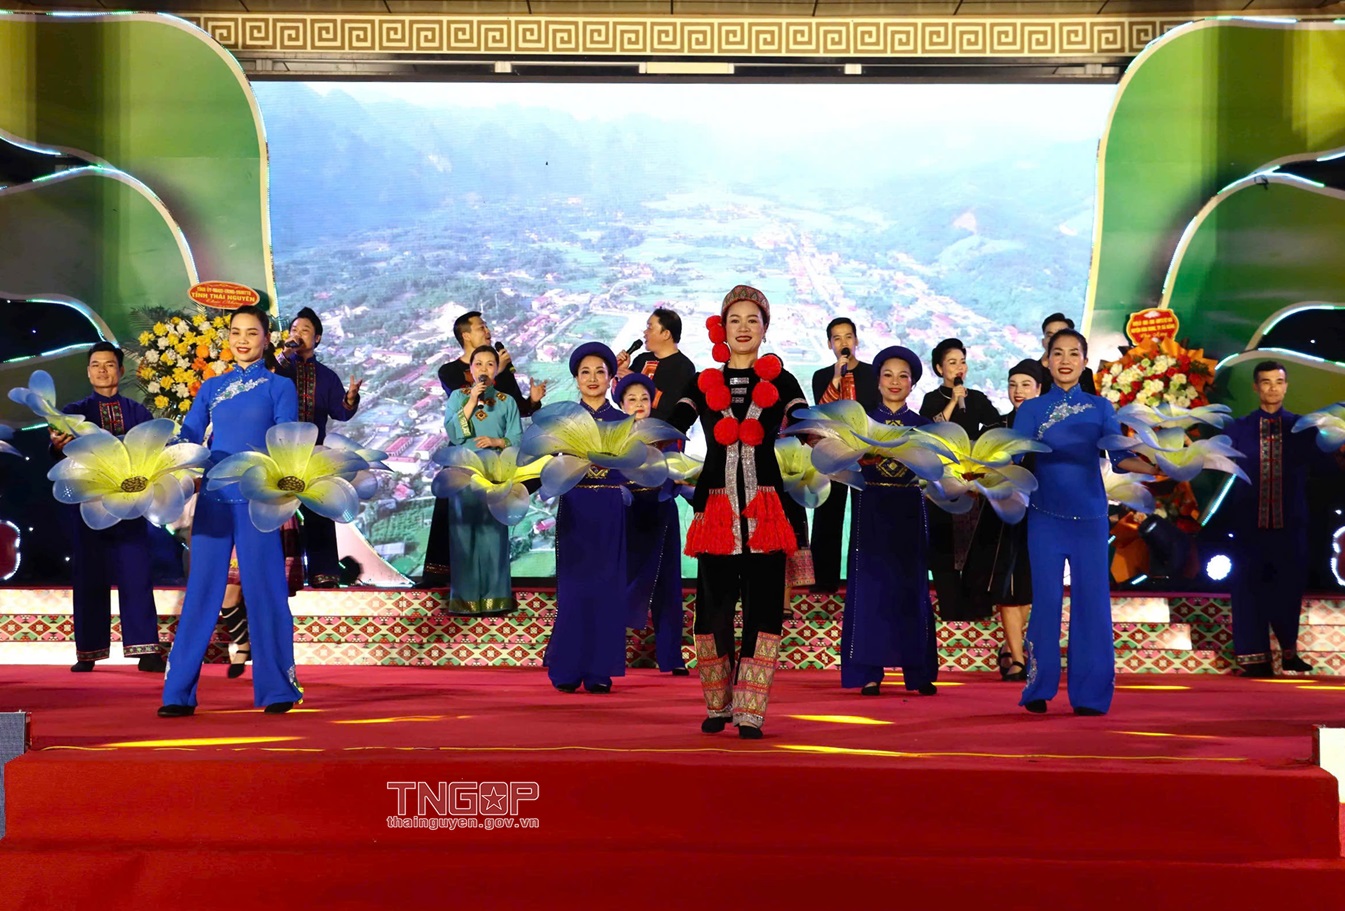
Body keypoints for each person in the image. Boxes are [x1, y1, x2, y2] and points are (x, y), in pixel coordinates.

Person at [669, 285, 809, 738]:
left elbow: (807, 425)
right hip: (715, 510)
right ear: (722, 328)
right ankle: (718, 704)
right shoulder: (701, 382)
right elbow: (670, 426)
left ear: (765, 329)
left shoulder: (783, 381)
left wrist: (841, 443)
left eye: (753, 320)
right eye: (735, 320)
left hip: (766, 509)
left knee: (764, 611)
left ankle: (751, 710)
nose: (744, 328)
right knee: (712, 612)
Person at [159, 305, 304, 717]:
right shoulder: (211, 387)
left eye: (252, 333)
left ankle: (278, 689)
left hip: (259, 498)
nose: (243, 340)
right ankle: (177, 693)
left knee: (266, 589)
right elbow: (190, 434)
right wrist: (167, 454)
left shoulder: (279, 387)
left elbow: (287, 437)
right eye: (236, 332)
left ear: (266, 339)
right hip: (215, 498)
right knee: (201, 591)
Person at [1015, 329, 1156, 716]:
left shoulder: (1100, 408)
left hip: (1091, 518)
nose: (1065, 360)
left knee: (1092, 604)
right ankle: (1038, 687)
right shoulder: (1031, 409)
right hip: (1044, 517)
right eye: (1058, 353)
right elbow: (1013, 457)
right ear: (1047, 361)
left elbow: (1119, 458)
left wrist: (1160, 465)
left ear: (1084, 361)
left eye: (1073, 353)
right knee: (1045, 602)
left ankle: (1091, 695)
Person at [1222, 362, 1344, 676]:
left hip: (1291, 524)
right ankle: (1254, 659)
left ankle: (1289, 652)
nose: (1273, 388)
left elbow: (1327, 468)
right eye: (1266, 382)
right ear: (1256, 387)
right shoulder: (1238, 429)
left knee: (1289, 588)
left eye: (1278, 382)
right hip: (1249, 524)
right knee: (1248, 589)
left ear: (1286, 386)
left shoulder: (1303, 428)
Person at [51, 341, 164, 673]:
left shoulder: (138, 412)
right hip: (89, 505)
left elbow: (153, 452)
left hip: (130, 506)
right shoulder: (73, 413)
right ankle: (88, 651)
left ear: (121, 370)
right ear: (88, 373)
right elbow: (60, 454)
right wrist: (57, 446)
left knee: (137, 574)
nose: (102, 370)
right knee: (89, 575)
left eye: (109, 364)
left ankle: (146, 649)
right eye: (96, 365)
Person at [839, 346, 938, 696]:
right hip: (872, 508)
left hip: (910, 509)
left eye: (903, 376)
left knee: (912, 588)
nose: (895, 382)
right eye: (888, 375)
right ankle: (869, 672)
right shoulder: (860, 423)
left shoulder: (924, 427)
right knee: (870, 588)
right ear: (878, 381)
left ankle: (918, 672)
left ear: (912, 383)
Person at [423, 310, 548, 587]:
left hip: (496, 456)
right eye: (481, 327)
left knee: (491, 518)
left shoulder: (500, 367)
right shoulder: (450, 370)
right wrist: (494, 372)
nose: (488, 331)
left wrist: (533, 401)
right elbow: (463, 397)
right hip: (464, 453)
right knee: (450, 511)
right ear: (466, 335)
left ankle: (491, 583)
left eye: (487, 326)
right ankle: (438, 576)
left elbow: (517, 408)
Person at [546, 342, 630, 694]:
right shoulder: (564, 422)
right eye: (585, 372)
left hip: (610, 508)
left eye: (600, 371)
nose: (592, 378)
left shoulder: (623, 421)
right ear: (576, 379)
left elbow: (633, 466)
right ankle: (567, 668)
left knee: (607, 588)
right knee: (574, 588)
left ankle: (599, 671)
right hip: (576, 506)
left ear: (611, 378)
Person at [962, 359, 1044, 682]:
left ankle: (1012, 647)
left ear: (1039, 389)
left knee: (1030, 587)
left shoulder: (1049, 429)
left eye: (1025, 385)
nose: (1018, 391)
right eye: (1013, 385)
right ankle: (1019, 660)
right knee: (1008, 587)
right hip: (1002, 519)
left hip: (1041, 515)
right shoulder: (995, 429)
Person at [275, 306, 362, 588]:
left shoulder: (326, 376)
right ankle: (281, 571)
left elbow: (341, 412)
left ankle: (323, 573)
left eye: (305, 330)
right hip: (277, 452)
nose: (298, 334)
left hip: (313, 452)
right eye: (294, 330)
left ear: (318, 338)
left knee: (319, 510)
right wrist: (283, 356)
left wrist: (350, 398)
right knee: (277, 512)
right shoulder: (277, 369)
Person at [919, 338, 1001, 621]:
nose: (959, 368)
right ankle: (951, 612)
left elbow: (995, 427)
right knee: (944, 550)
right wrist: (954, 401)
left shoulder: (976, 398)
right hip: (941, 485)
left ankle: (976, 611)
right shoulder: (932, 399)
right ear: (939, 368)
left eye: (962, 362)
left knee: (976, 548)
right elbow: (929, 431)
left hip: (972, 481)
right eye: (952, 363)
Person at [441, 345, 523, 615]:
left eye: (490, 364)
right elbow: (454, 434)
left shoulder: (507, 401)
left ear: (497, 369)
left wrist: (497, 442)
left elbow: (517, 438)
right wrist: (471, 401)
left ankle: (495, 599)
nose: (484, 369)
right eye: (479, 364)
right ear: (471, 369)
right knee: (464, 535)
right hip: (463, 475)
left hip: (494, 476)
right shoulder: (458, 397)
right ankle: (465, 600)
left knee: (493, 535)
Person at [616, 373, 688, 675]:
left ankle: (672, 658)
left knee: (668, 586)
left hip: (661, 511)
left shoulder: (666, 436)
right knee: (619, 584)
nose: (639, 404)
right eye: (632, 399)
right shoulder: (613, 438)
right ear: (621, 404)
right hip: (626, 515)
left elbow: (679, 471)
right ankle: (610, 656)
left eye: (644, 399)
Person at [809, 317, 878, 593]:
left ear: (856, 340)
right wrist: (837, 379)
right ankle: (823, 582)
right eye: (837, 338)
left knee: (867, 517)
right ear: (830, 344)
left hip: (866, 454)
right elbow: (823, 412)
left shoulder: (874, 374)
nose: (843, 343)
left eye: (848, 337)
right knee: (828, 516)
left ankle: (865, 579)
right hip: (834, 453)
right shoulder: (822, 376)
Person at [615, 307, 697, 423]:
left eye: (650, 327)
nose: (645, 332)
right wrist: (620, 373)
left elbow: (672, 406)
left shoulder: (684, 366)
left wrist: (635, 380)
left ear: (666, 334)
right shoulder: (642, 359)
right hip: (632, 429)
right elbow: (620, 400)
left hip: (661, 431)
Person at [1038, 313, 1096, 395]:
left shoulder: (1085, 373)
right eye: (1050, 335)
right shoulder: (1030, 370)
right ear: (1043, 342)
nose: (1058, 339)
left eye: (1063, 334)